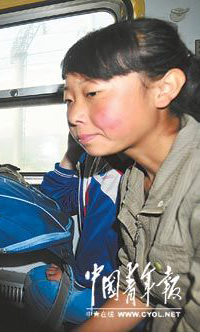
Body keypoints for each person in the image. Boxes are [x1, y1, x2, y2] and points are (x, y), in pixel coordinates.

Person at [60, 18, 200, 331]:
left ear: (163, 89)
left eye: (93, 93)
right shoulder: (134, 180)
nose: (74, 115)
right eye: (69, 99)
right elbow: (138, 290)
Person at [25, 134, 130, 325]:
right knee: (38, 276)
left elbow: (103, 240)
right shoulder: (94, 160)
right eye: (70, 103)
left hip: (118, 289)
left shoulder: (120, 172)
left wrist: (76, 277)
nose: (75, 116)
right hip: (101, 276)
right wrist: (72, 153)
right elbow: (55, 202)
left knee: (39, 283)